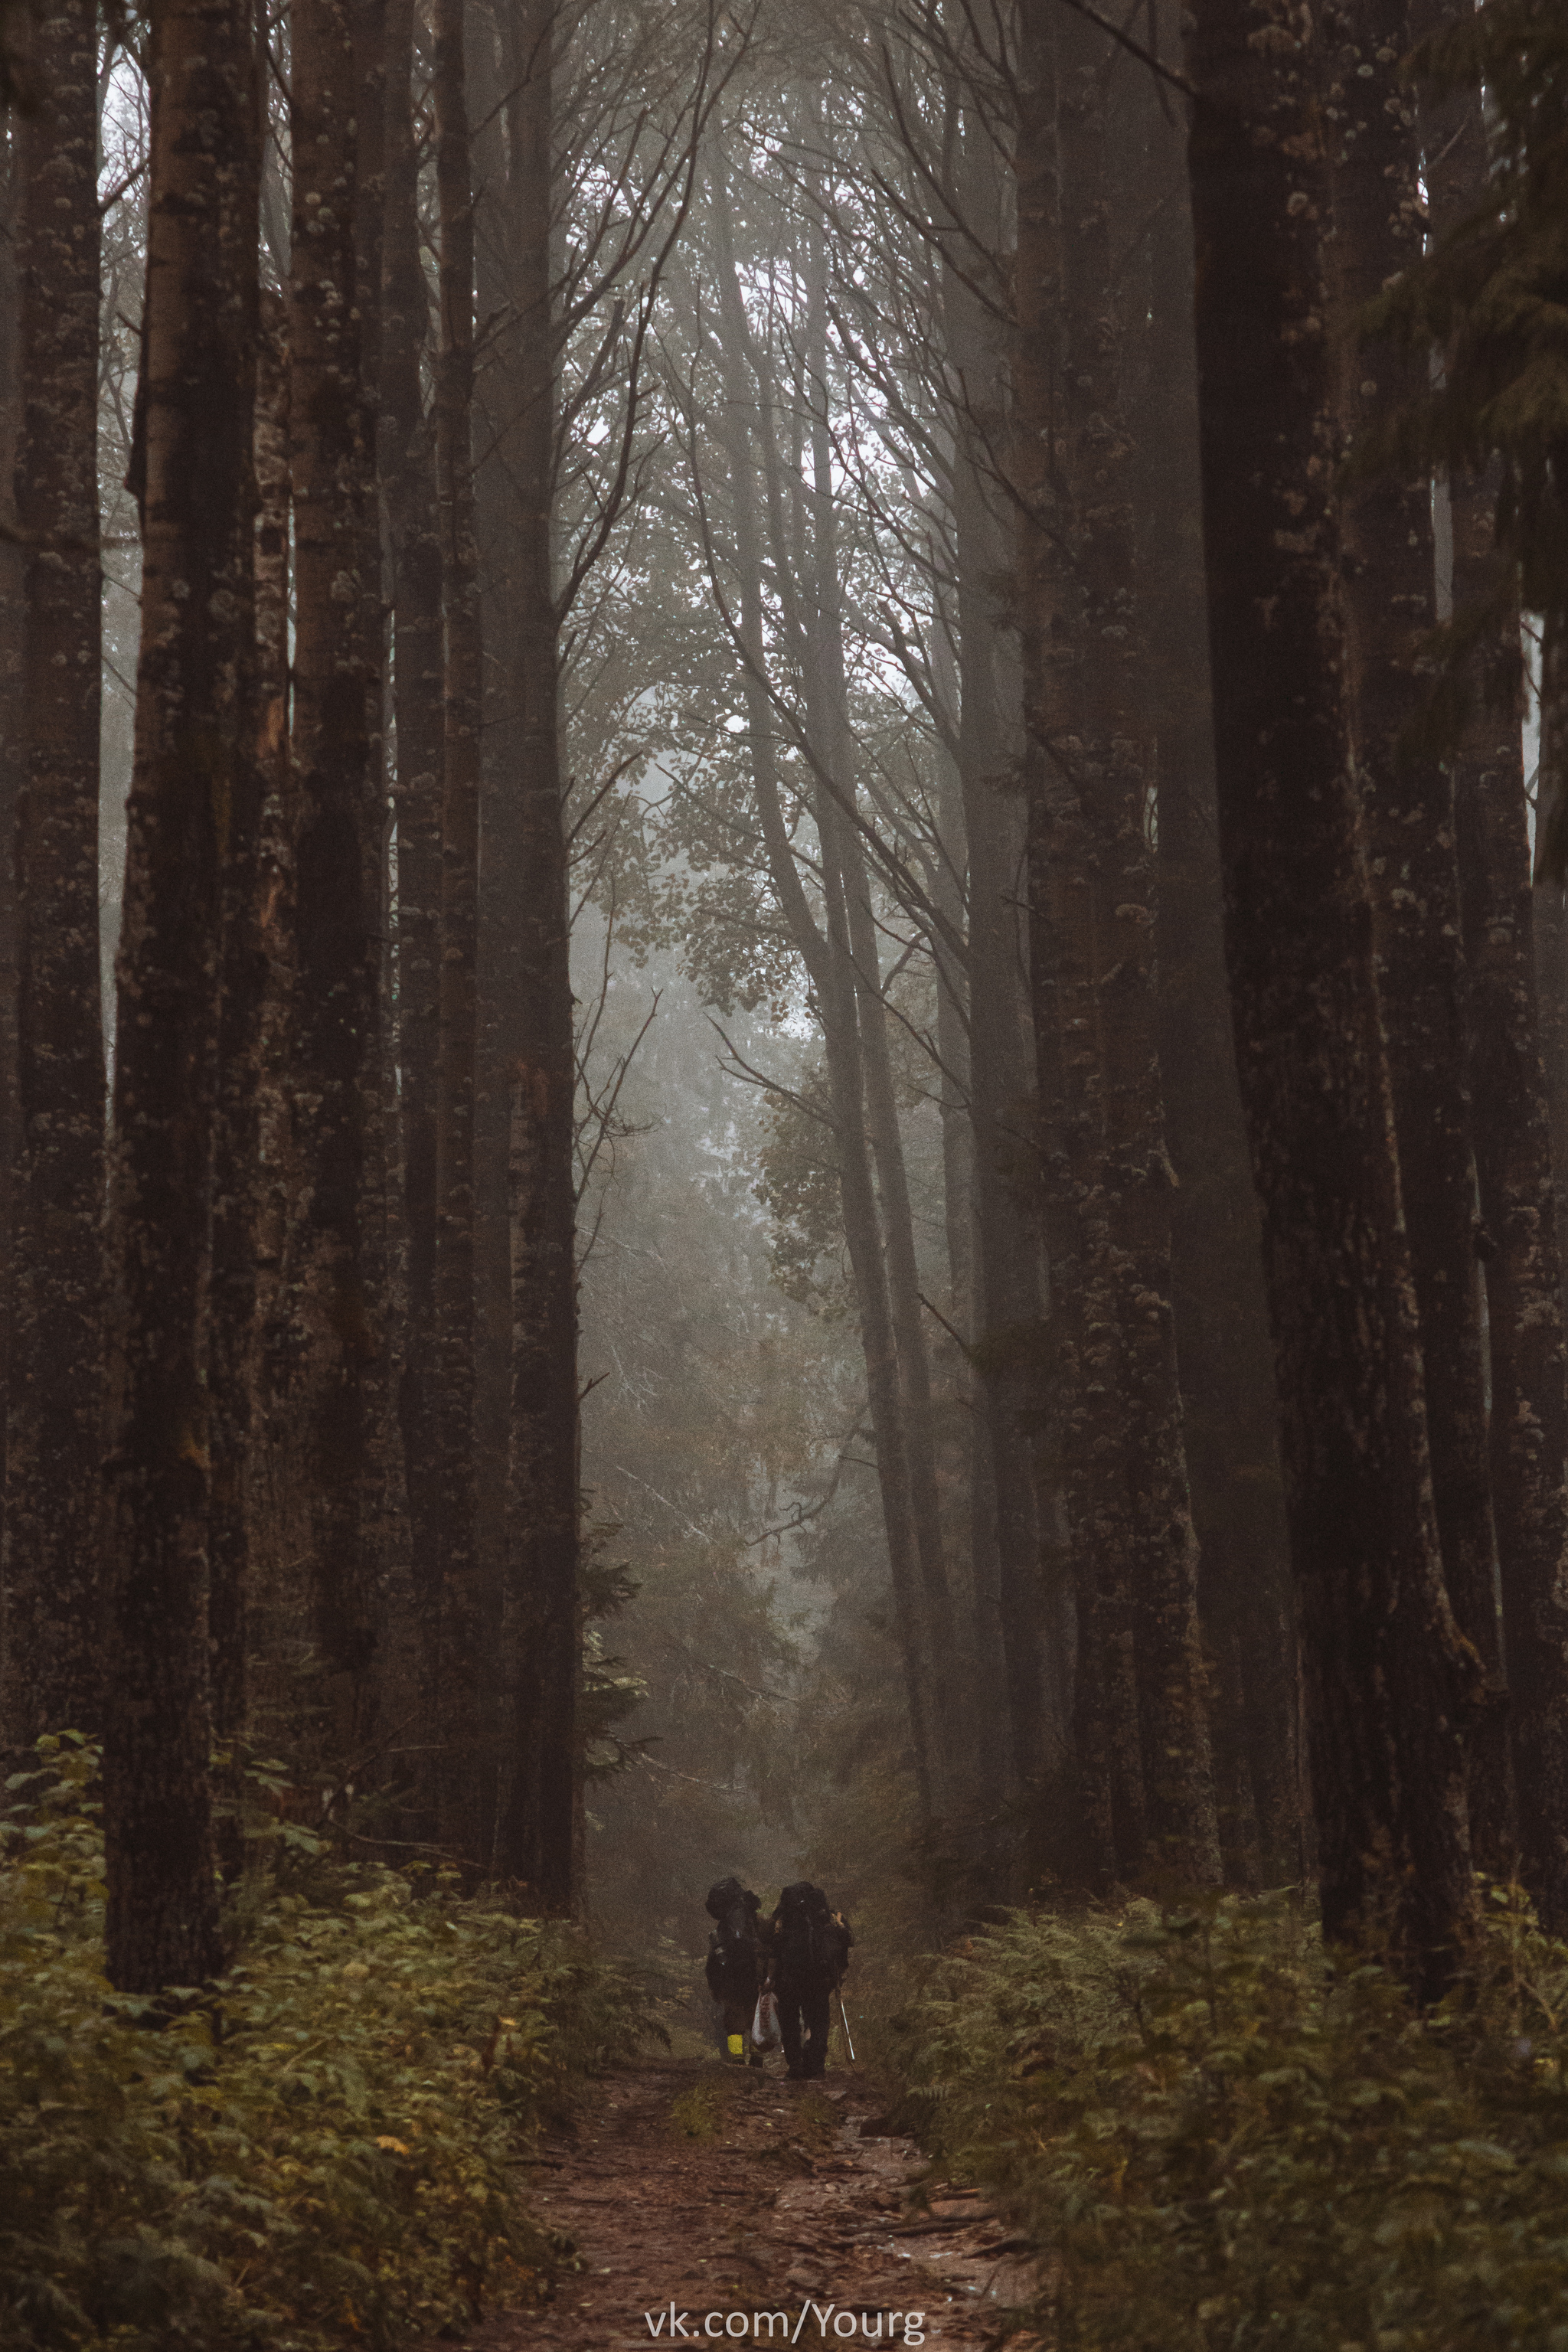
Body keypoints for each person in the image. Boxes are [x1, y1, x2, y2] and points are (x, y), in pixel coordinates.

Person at [765, 1881, 852, 2081]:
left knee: (790, 2022)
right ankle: (815, 2063)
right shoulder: (828, 1917)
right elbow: (844, 1942)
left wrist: (769, 1978)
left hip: (789, 1980)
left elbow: (772, 1950)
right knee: (818, 2020)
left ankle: (795, 2064)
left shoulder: (782, 1919)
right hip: (820, 1978)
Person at [704, 1875, 766, 2066]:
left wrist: (715, 1984)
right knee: (757, 2020)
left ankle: (737, 2059)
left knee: (733, 2022)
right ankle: (757, 2059)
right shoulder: (755, 1920)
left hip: (730, 1979)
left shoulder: (725, 1926)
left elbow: (715, 1958)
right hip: (755, 1977)